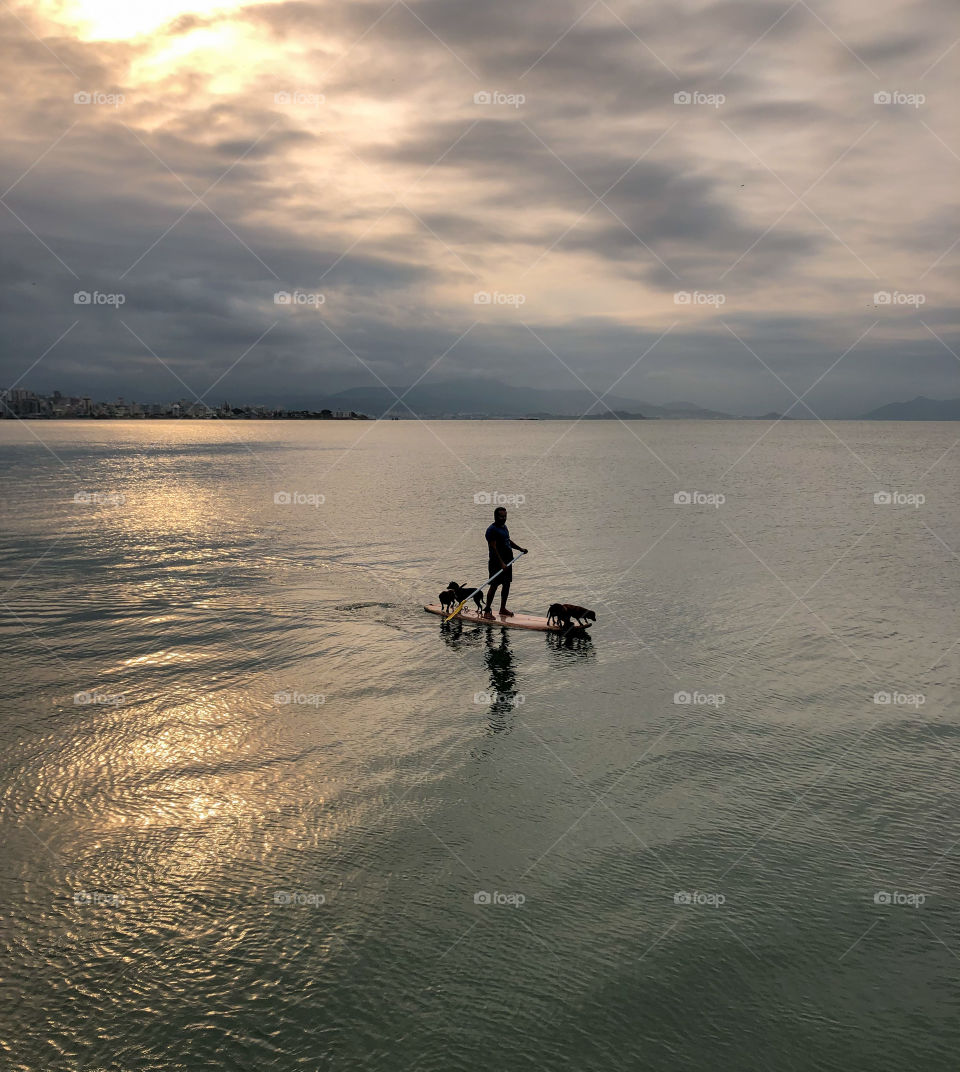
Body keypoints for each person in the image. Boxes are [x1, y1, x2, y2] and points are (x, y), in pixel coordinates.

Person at [482, 506, 527, 618]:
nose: (503, 518)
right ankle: (487, 611)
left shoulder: (504, 527)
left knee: (506, 584)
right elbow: (493, 548)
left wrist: (520, 548)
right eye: (501, 516)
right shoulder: (491, 530)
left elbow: (508, 541)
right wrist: (501, 563)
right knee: (494, 585)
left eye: (505, 516)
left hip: (508, 561)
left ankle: (502, 608)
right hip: (496, 562)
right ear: (496, 516)